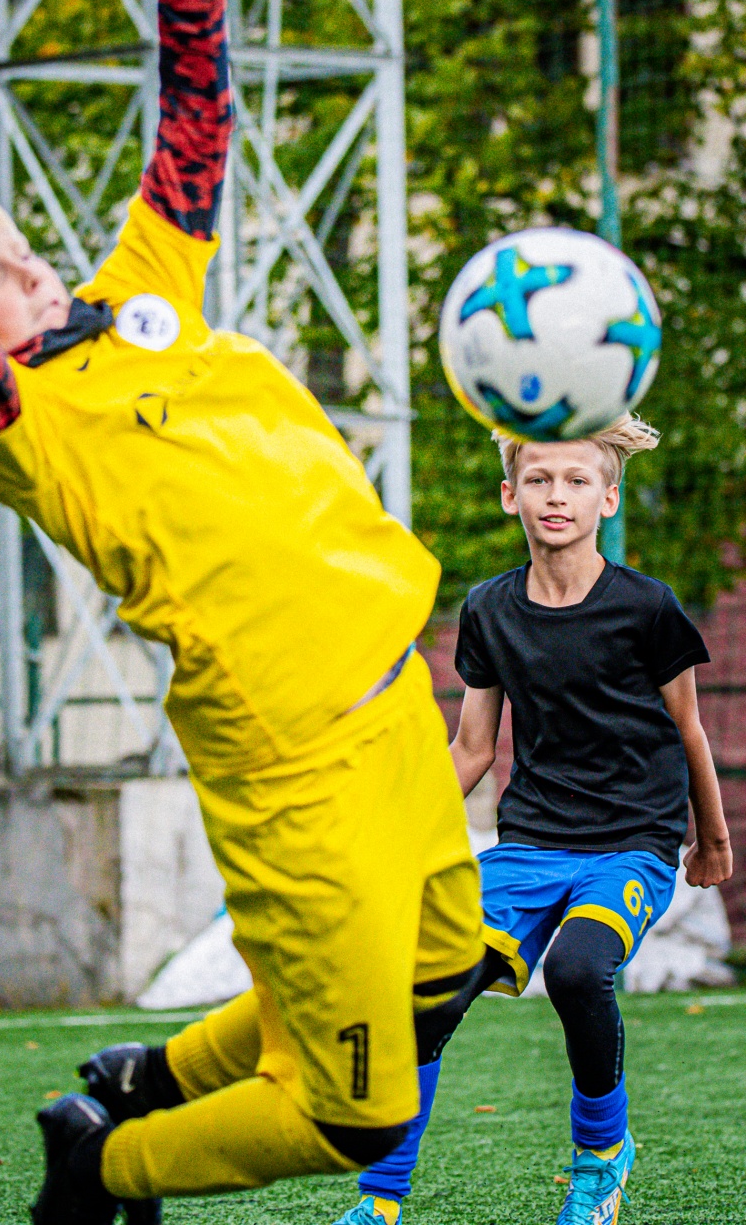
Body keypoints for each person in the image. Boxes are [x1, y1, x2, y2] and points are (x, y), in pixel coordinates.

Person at [0, 0, 485, 1219]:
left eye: (2, 242)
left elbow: (194, 125)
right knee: (356, 1115)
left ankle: (147, 1077)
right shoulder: (19, 434)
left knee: (440, 985)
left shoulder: (135, 298)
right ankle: (102, 1165)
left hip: (392, 702)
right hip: (293, 764)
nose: (17, 268)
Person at [327, 417, 733, 1225]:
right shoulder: (488, 609)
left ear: (607, 498)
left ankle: (602, 1159)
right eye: (540, 479)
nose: (557, 496)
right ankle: (380, 1199)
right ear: (511, 494)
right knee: (428, 989)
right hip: (530, 846)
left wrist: (712, 842)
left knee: (577, 971)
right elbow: (473, 747)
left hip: (631, 847)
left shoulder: (647, 607)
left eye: (577, 481)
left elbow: (689, 729)